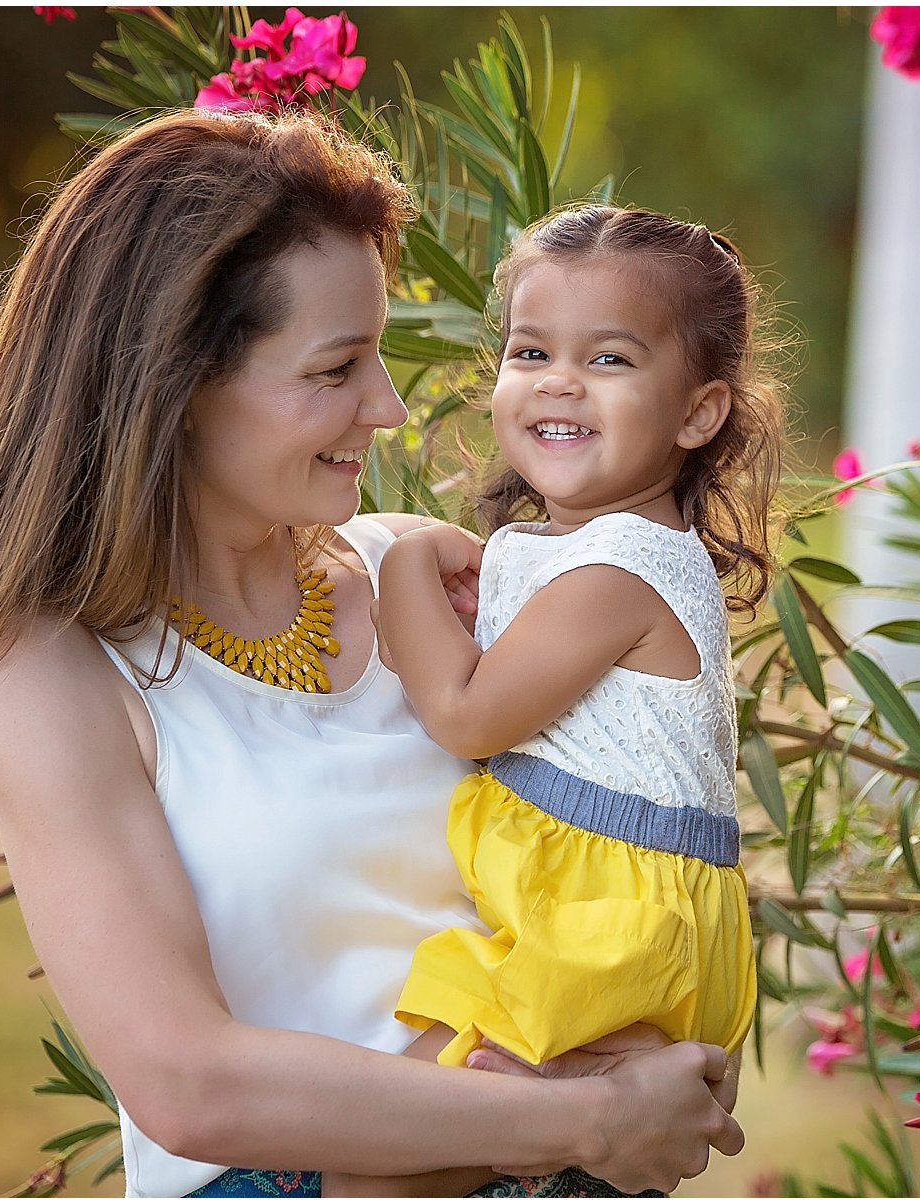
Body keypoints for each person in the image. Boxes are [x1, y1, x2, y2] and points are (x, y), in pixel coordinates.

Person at [0, 109, 743, 1199]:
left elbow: (644, 827)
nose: (383, 409)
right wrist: (586, 1118)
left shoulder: (421, 582)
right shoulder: (49, 671)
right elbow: (186, 1080)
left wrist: (639, 1082)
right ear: (176, 385)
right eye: (337, 368)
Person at [322, 206, 784, 1197]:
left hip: (609, 921)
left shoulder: (621, 566)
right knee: (428, 1152)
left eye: (610, 360)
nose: (559, 381)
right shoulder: (591, 552)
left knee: (390, 1153)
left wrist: (404, 559)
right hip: (603, 906)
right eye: (531, 350)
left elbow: (463, 713)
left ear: (698, 413)